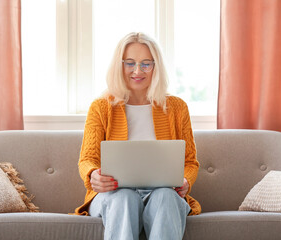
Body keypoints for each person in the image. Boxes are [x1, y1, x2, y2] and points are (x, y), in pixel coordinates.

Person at [74, 32, 201, 240]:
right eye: (130, 63)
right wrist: (92, 176)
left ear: (155, 66)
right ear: (119, 65)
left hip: (163, 193)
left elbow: (190, 162)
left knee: (165, 197)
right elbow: (87, 159)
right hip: (115, 195)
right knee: (125, 198)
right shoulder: (101, 107)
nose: (137, 71)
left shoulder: (177, 108)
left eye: (146, 64)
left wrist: (186, 181)